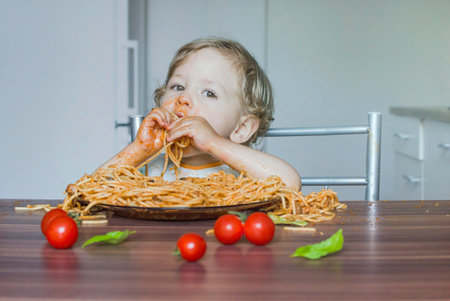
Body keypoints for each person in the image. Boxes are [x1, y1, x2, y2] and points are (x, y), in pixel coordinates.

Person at [98, 37, 301, 190]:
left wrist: (214, 143)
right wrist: (139, 149)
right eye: (177, 86)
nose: (183, 98)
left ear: (241, 128)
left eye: (209, 93)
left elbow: (290, 184)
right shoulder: (147, 168)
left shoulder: (243, 173)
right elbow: (88, 191)